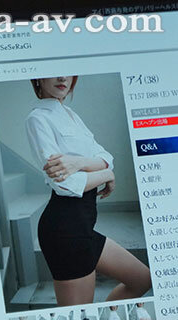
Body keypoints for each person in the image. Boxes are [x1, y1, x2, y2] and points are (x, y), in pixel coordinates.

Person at [25, 75, 151, 307]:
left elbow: (106, 156)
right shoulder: (38, 119)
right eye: (53, 70)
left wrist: (78, 163)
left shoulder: (71, 115)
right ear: (38, 78)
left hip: (83, 226)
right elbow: (66, 185)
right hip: (64, 231)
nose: (62, 77)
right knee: (81, 318)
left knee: (142, 279)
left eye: (68, 71)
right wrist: (107, 174)